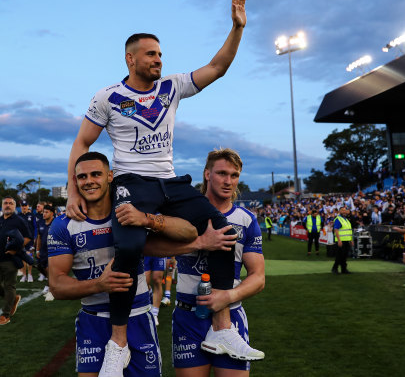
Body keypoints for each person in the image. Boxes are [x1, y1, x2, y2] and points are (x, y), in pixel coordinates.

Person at [64, 0, 252, 373]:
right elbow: (83, 142)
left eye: (161, 55)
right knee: (130, 244)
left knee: (223, 228)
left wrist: (236, 28)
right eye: (151, 54)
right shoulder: (109, 97)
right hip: (132, 181)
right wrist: (71, 188)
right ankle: (119, 343)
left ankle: (221, 326)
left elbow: (217, 67)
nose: (158, 60)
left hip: (169, 180)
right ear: (130, 58)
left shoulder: (172, 86)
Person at [49, 152, 236, 377]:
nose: (89, 181)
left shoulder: (131, 210)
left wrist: (190, 238)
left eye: (96, 174)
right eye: (82, 177)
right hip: (94, 320)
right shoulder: (63, 225)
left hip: (138, 317)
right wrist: (99, 285)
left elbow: (185, 231)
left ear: (110, 176)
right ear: (75, 181)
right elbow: (57, 286)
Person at [171, 148, 265, 376]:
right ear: (207, 174)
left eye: (234, 176)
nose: (228, 181)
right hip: (188, 316)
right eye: (222, 173)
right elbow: (151, 248)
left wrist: (227, 296)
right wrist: (199, 243)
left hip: (230, 315)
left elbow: (258, 277)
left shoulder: (246, 219)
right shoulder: (183, 213)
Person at [0, 197, 32, 325]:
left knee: (10, 285)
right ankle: (12, 299)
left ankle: (6, 314)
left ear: (15, 207)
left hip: (10, 259)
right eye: (5, 203)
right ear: (2, 206)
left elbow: (27, 237)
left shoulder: (19, 221)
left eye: (10, 203)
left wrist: (16, 250)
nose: (7, 205)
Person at [36, 204, 54, 298]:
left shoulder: (55, 223)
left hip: (52, 250)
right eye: (43, 212)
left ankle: (49, 286)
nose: (44, 214)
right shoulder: (41, 223)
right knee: (39, 266)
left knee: (49, 269)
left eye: (46, 212)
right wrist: (37, 250)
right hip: (42, 250)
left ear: (52, 213)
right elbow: (39, 237)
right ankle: (51, 280)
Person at [143, 255, 167, 326]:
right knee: (145, 282)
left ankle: (154, 313)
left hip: (158, 248)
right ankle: (150, 295)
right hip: (145, 249)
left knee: (157, 279)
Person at [19, 200, 37, 283]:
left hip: (30, 240)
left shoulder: (32, 215)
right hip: (21, 240)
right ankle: (24, 275)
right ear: (21, 207)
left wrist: (35, 237)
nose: (24, 207)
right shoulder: (18, 216)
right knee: (22, 257)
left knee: (30, 257)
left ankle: (30, 274)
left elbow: (35, 227)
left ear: (28, 206)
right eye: (23, 206)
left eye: (25, 205)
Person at [332, 207, 352, 275]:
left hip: (347, 240)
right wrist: (339, 240)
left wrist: (351, 240)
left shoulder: (346, 220)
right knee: (339, 256)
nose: (344, 211)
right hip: (341, 241)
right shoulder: (338, 219)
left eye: (345, 210)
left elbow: (349, 231)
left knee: (344, 256)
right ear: (340, 211)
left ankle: (344, 269)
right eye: (342, 210)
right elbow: (336, 230)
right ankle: (335, 268)